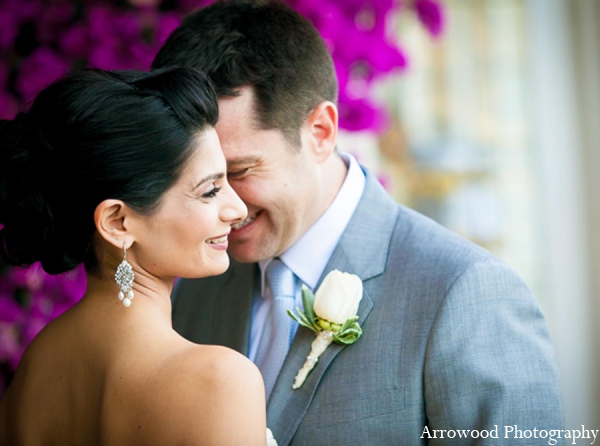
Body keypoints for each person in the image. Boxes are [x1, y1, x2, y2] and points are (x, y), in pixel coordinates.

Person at [152, 1, 565, 444]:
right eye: (200, 181)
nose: (222, 206)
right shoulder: (198, 286)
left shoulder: (466, 293)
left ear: (321, 133)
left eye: (239, 171)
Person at [0, 67, 275, 445]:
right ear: (118, 221)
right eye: (210, 191)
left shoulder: (35, 368)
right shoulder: (220, 381)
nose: (237, 209)